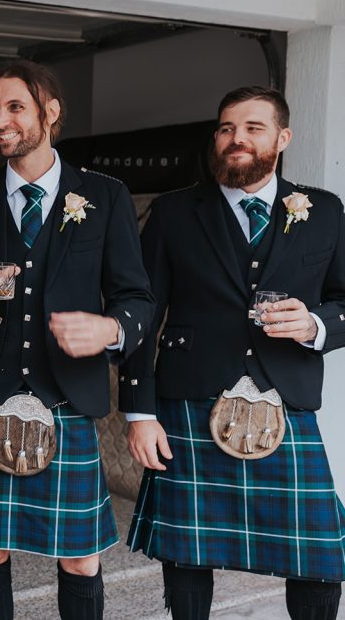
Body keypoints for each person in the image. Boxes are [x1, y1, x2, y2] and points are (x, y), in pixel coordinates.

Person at [0, 59, 153, 620]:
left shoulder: (105, 196)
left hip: (67, 398)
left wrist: (109, 329)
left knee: (80, 556)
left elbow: (136, 298)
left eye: (14, 108)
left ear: (50, 113)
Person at [122, 86, 345, 619]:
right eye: (226, 129)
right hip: (189, 397)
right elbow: (140, 314)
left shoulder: (324, 210)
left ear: (282, 138)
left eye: (252, 128)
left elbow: (342, 299)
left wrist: (314, 323)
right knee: (186, 554)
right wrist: (139, 411)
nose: (236, 139)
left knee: (319, 556)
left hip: (286, 401)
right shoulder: (175, 212)